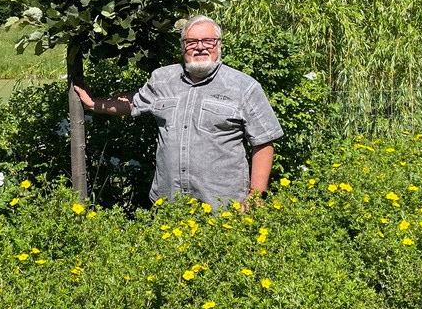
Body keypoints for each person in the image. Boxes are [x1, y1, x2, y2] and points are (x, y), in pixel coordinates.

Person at [74, 15, 283, 208]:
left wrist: (256, 195)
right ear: (183, 47)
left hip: (223, 206)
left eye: (208, 41)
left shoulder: (243, 87)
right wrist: (94, 104)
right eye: (192, 42)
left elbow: (263, 141)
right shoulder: (162, 79)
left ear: (219, 46)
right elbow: (135, 103)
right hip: (169, 204)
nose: (200, 48)